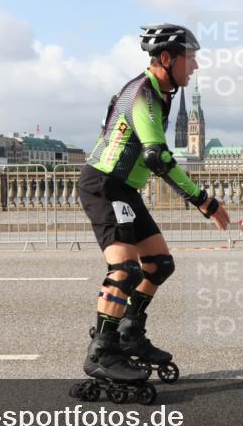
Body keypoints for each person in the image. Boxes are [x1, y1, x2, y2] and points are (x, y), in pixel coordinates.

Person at [76, 23, 230, 393]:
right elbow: (157, 157)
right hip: (103, 185)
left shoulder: (164, 92)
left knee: (159, 265)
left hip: (125, 189)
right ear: (167, 58)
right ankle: (102, 351)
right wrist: (204, 201)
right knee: (125, 270)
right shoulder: (142, 94)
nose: (193, 67)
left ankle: (129, 332)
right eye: (190, 59)